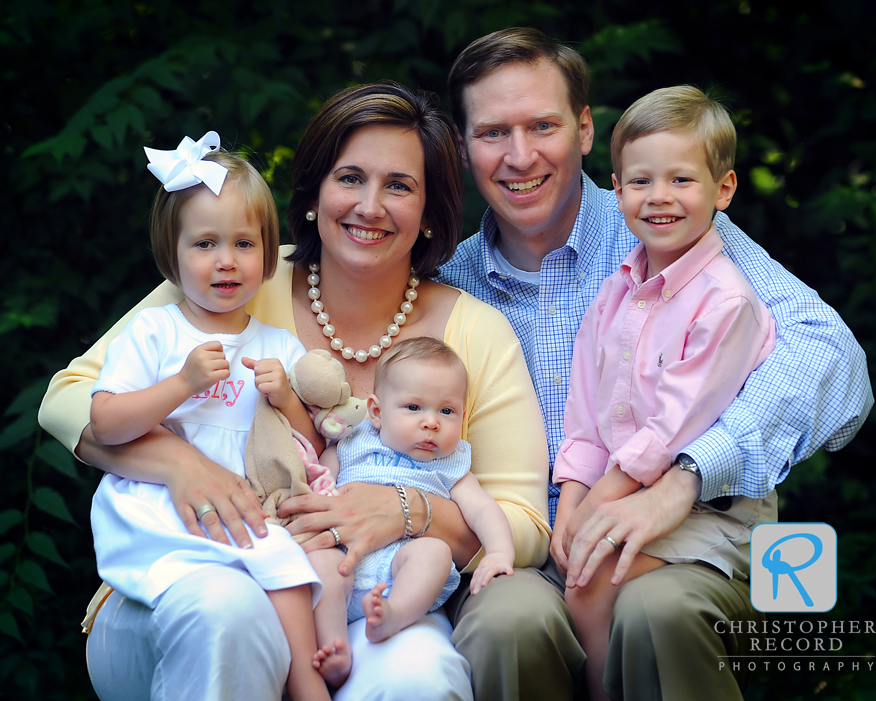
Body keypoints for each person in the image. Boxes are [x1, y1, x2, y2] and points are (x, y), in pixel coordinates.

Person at [39, 81, 549, 701]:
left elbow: (525, 523)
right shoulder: (240, 271)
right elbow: (67, 399)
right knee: (228, 614)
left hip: (361, 601)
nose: (370, 205)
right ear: (313, 195)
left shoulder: (475, 330)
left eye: (399, 185)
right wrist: (178, 462)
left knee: (423, 673)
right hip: (192, 580)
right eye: (350, 177)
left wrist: (407, 511)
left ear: (431, 212)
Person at [437, 27, 873, 701]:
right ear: (464, 148)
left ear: (584, 129)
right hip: (524, 549)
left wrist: (686, 478)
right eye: (493, 132)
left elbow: (831, 355)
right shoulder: (450, 283)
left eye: (543, 125)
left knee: (657, 611)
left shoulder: (664, 217)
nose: (520, 156)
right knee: (505, 624)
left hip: (678, 536)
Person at [551, 86, 778, 700]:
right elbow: (587, 415)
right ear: (617, 190)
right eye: (641, 181)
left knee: (592, 580)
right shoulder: (616, 293)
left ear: (723, 190)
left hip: (707, 513)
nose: (659, 198)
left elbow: (677, 424)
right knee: (575, 566)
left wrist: (598, 506)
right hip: (617, 496)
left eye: (681, 180)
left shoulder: (726, 301)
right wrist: (571, 501)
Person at [87, 133, 329, 701]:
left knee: (288, 570)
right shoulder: (155, 332)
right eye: (205, 244)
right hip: (167, 512)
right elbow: (106, 423)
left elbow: (313, 445)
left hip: (251, 510)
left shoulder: (278, 345)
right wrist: (181, 384)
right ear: (172, 256)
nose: (226, 260)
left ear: (269, 256)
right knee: (226, 592)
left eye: (244, 243)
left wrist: (289, 401)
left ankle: (303, 678)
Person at [309, 336, 515, 689]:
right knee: (321, 562)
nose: (431, 423)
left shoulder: (450, 464)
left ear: (462, 417)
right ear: (376, 411)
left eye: (446, 411)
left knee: (433, 551)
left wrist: (499, 552)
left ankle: (394, 616)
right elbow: (319, 480)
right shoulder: (352, 442)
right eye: (414, 408)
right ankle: (333, 644)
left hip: (400, 571)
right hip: (344, 554)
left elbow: (482, 509)